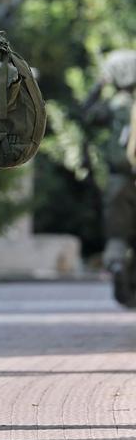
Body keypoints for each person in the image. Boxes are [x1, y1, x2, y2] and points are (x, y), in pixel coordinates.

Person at [87, 50, 136, 306]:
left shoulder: (116, 104)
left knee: (118, 237)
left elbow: (88, 113)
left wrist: (100, 84)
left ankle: (116, 266)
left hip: (120, 180)